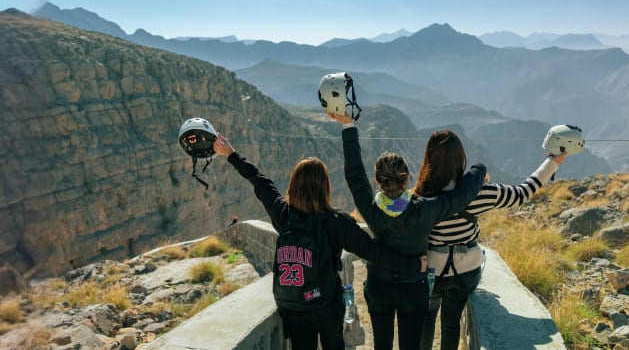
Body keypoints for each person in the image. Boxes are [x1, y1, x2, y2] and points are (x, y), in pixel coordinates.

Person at [214, 132, 422, 350]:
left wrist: (230, 153)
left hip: (292, 306)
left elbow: (259, 180)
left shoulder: (283, 214)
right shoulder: (336, 221)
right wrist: (414, 264)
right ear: (325, 187)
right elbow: (374, 252)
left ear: (294, 185)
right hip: (325, 305)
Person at [334, 112, 487, 350]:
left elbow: (354, 172)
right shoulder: (426, 210)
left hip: (379, 286)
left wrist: (348, 125)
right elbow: (460, 196)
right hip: (413, 289)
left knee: (382, 345)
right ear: (407, 179)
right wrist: (478, 170)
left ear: (377, 181)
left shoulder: (371, 209)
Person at [419, 151, 565, 350]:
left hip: (433, 273)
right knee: (451, 324)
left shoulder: (420, 195)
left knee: (427, 321)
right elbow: (523, 192)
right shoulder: (479, 193)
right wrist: (551, 162)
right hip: (466, 273)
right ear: (460, 159)